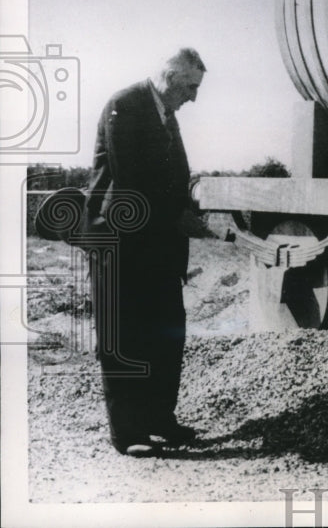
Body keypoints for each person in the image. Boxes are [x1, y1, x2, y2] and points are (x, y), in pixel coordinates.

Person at [85, 48, 206, 457]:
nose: (194, 97)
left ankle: (159, 419)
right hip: (121, 241)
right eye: (191, 86)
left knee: (165, 333)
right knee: (125, 336)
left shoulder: (166, 116)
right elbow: (132, 176)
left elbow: (174, 177)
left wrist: (188, 207)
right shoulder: (126, 105)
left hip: (158, 244)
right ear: (170, 78)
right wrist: (177, 215)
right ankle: (129, 433)